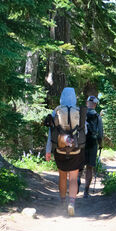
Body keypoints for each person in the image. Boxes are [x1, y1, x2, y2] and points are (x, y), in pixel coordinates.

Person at [45, 87, 85, 216]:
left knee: (62, 176)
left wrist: (48, 151)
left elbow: (51, 132)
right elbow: (86, 131)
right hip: (76, 150)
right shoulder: (78, 111)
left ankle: (62, 203)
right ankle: (71, 203)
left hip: (60, 149)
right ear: (74, 98)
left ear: (62, 97)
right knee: (73, 178)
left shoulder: (56, 111)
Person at [78, 95, 103, 198]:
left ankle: (76, 183)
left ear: (87, 103)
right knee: (89, 168)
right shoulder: (98, 116)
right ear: (95, 104)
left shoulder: (81, 114)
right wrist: (100, 144)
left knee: (79, 167)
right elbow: (100, 133)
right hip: (92, 143)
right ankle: (86, 192)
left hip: (81, 143)